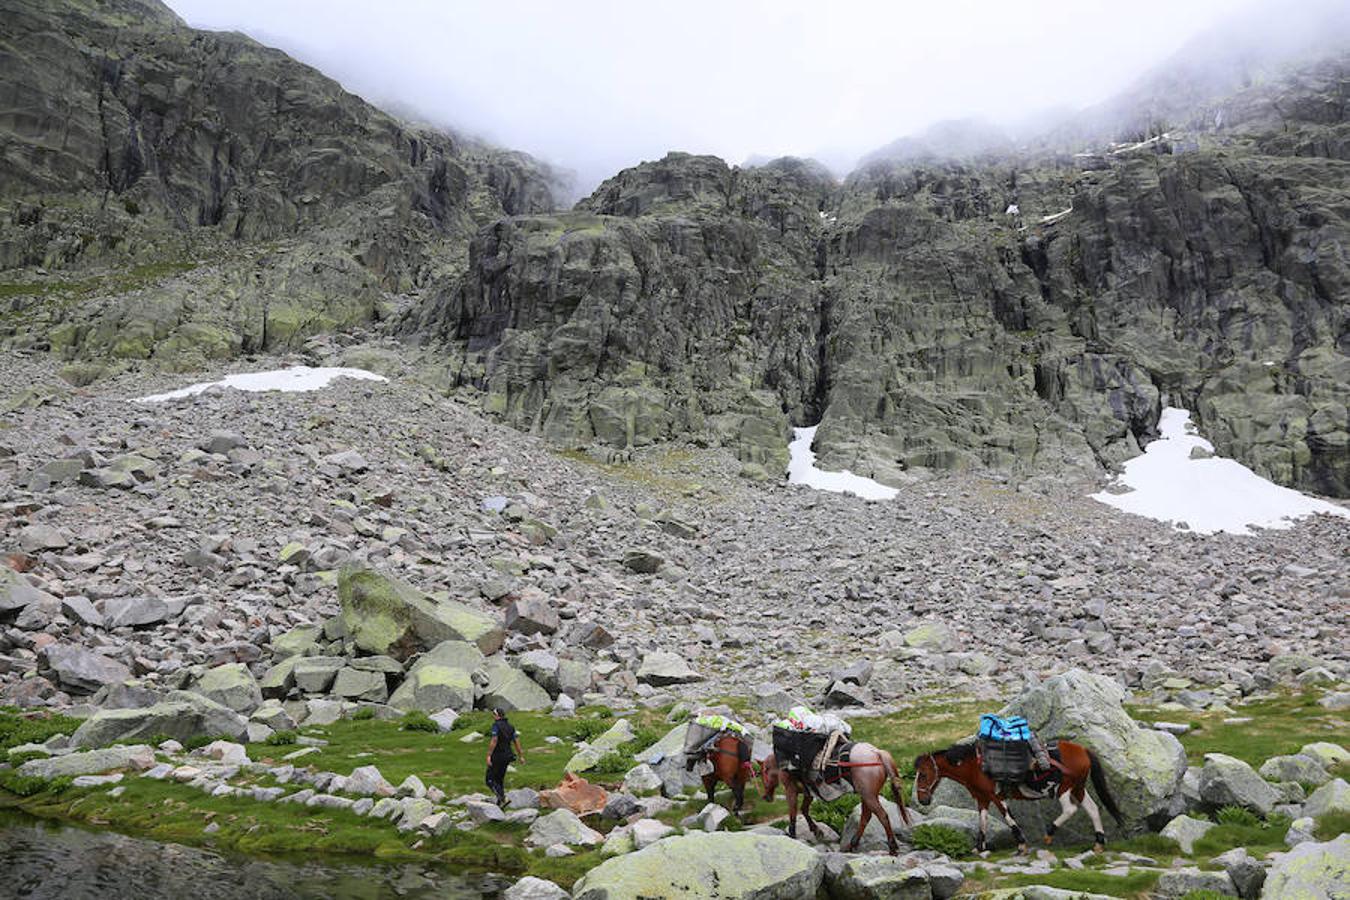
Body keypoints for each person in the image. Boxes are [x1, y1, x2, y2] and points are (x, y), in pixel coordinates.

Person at [485, 708, 524, 805]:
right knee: (499, 779)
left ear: (497, 715)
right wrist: (521, 756)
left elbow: (494, 740)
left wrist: (489, 755)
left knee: (489, 780)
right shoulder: (511, 727)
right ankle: (500, 804)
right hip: (508, 755)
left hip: (497, 755)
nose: (493, 717)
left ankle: (503, 798)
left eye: (493, 714)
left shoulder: (496, 726)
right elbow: (516, 741)